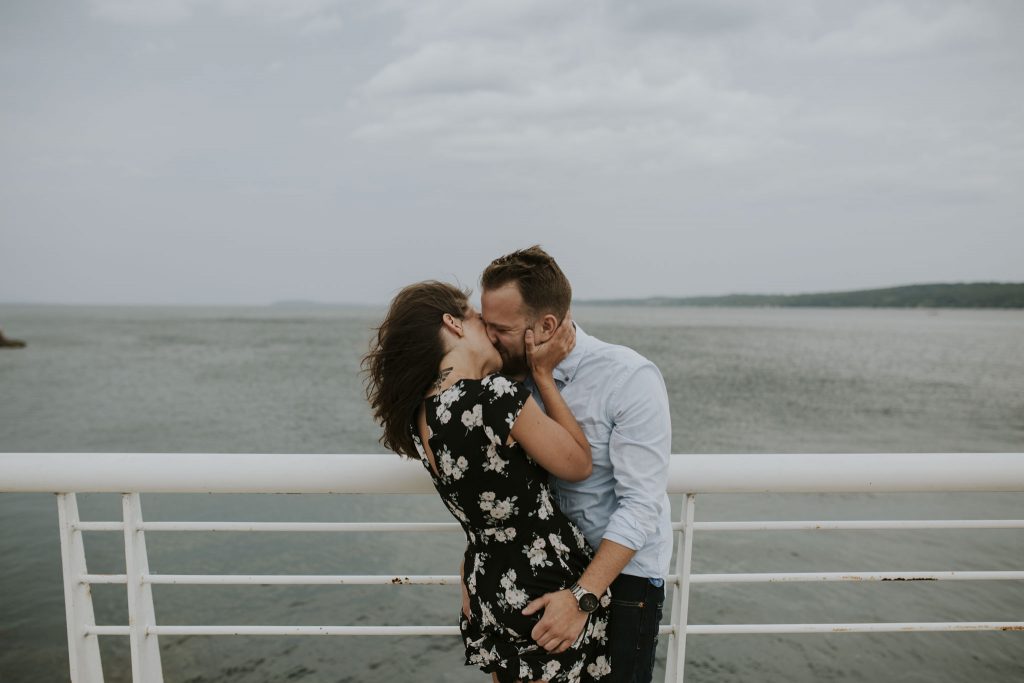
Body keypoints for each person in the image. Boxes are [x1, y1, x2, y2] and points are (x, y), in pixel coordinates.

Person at [363, 280, 614, 683]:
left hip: (489, 589)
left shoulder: (421, 419)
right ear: (454, 324)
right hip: (545, 591)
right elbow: (579, 463)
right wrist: (544, 376)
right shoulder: (492, 398)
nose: (493, 335)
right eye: (479, 319)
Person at [480, 246, 672, 683]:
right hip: (540, 571)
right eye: (484, 324)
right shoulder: (505, 383)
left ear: (546, 326)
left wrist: (582, 596)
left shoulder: (628, 378)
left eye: (500, 328)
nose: (488, 338)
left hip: (621, 580)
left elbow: (642, 505)